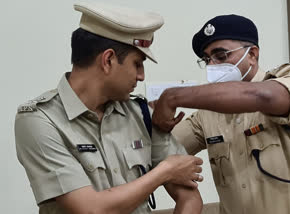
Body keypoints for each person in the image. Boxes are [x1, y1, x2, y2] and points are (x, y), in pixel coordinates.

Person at [14, 2, 204, 214]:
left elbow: (189, 196)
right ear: (108, 60)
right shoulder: (40, 120)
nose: (141, 76)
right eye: (137, 64)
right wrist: (164, 172)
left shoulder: (141, 114)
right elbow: (91, 209)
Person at [151, 14, 290, 214]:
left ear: (252, 54)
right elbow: (161, 150)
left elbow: (263, 97)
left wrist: (172, 97)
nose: (212, 65)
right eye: (207, 59)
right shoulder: (207, 115)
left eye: (221, 56)